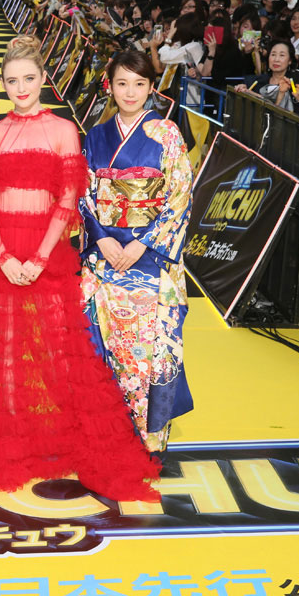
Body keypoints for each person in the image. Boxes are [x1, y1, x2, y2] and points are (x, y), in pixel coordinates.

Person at [0, 37, 159, 500]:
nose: (20, 88)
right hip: (1, 259)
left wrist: (38, 258)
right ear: (2, 83)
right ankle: (13, 445)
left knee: (58, 354)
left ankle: (55, 442)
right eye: (11, 80)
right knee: (4, 356)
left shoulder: (63, 130)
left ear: (43, 78)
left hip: (48, 258)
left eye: (28, 78)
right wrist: (4, 257)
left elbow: (67, 200)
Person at [80, 49, 194, 456]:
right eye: (122, 83)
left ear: (151, 88)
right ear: (109, 86)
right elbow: (83, 194)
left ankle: (149, 441)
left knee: (150, 350)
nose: (130, 92)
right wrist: (101, 237)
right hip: (106, 257)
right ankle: (108, 437)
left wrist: (141, 241)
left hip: (149, 259)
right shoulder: (95, 136)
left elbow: (179, 196)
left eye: (139, 84)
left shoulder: (167, 134)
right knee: (105, 345)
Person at [235, 40, 299, 121]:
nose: (276, 59)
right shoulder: (257, 82)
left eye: (282, 55)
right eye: (273, 54)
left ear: (290, 61)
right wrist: (243, 90)